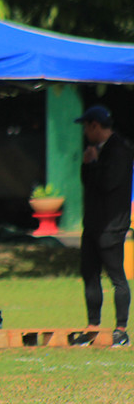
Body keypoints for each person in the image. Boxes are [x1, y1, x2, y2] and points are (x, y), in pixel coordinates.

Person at [73, 105, 133, 347]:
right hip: (93, 224)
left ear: (95, 126)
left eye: (87, 127)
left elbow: (108, 184)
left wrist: (95, 163)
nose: (86, 132)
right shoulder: (97, 150)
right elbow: (90, 184)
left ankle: (121, 329)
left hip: (111, 226)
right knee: (89, 274)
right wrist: (88, 165)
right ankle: (92, 326)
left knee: (116, 276)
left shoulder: (119, 149)